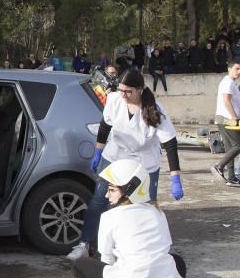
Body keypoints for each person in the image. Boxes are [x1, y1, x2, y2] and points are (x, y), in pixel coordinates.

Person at [72, 68, 183, 259]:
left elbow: (170, 144)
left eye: (128, 91)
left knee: (145, 206)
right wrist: (98, 152)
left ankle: (147, 248)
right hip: (115, 156)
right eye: (121, 90)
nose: (123, 95)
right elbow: (105, 126)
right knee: (100, 200)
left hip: (144, 162)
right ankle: (85, 243)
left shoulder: (155, 109)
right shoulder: (115, 100)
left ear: (140, 89)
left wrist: (176, 178)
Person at [72, 160, 188, 278]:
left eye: (112, 190)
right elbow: (164, 250)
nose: (106, 196)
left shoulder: (110, 217)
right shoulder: (158, 213)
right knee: (175, 260)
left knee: (80, 265)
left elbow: (106, 262)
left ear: (129, 190)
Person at [210, 62, 240, 184]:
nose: (239, 71)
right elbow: (226, 100)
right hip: (226, 119)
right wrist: (234, 117)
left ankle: (231, 177)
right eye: (237, 69)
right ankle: (219, 166)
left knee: (231, 148)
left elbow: (238, 102)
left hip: (228, 119)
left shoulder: (232, 83)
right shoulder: (228, 82)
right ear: (229, 69)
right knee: (239, 146)